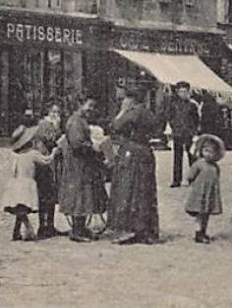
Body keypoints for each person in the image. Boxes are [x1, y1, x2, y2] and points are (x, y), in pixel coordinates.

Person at [107, 90, 160, 245]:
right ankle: (145, 229)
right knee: (145, 191)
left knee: (128, 189)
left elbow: (115, 126)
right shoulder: (148, 113)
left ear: (131, 99)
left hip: (132, 153)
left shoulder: (132, 114)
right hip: (146, 152)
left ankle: (129, 229)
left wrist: (122, 112)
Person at [59, 96, 108, 241]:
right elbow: (76, 143)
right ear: (80, 104)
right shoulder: (75, 121)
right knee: (78, 194)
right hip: (77, 163)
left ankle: (82, 228)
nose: (91, 110)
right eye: (89, 106)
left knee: (85, 194)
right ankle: (76, 231)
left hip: (83, 163)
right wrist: (93, 147)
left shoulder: (81, 120)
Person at [1, 125, 52, 242]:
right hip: (27, 184)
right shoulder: (33, 154)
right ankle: (29, 229)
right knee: (23, 208)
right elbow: (46, 161)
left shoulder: (15, 156)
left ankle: (16, 231)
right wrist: (54, 152)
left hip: (15, 183)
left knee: (19, 207)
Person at [183, 133, 225, 243]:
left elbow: (216, 178)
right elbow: (191, 175)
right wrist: (191, 182)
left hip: (210, 192)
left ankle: (203, 231)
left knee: (206, 214)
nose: (208, 154)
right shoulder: (199, 164)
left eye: (211, 152)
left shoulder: (215, 166)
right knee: (199, 213)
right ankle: (198, 233)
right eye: (205, 151)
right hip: (199, 192)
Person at [33, 104, 63, 239]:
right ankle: (43, 226)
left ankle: (50, 225)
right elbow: (51, 141)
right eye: (53, 111)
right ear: (47, 112)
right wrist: (57, 128)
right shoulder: (44, 124)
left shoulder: (50, 124)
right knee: (44, 194)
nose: (55, 114)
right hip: (43, 161)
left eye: (57, 112)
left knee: (50, 194)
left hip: (50, 162)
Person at [167, 80, 200, 187]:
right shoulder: (173, 105)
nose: (183, 94)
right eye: (180, 92)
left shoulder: (192, 105)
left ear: (189, 92)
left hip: (189, 133)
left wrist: (194, 131)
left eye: (185, 91)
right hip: (178, 133)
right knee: (177, 157)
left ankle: (193, 178)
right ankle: (176, 180)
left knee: (192, 156)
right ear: (177, 92)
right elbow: (170, 117)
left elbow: (196, 119)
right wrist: (174, 127)